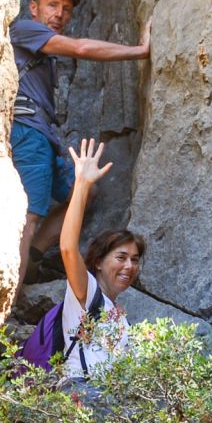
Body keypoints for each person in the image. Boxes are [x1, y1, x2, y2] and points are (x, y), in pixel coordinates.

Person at [9, 0, 150, 274]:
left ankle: (32, 259)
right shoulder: (25, 29)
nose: (60, 14)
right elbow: (82, 47)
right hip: (28, 133)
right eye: (52, 5)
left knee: (85, 190)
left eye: (67, 9)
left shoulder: (41, 44)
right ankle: (8, 305)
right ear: (33, 8)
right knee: (30, 216)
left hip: (43, 136)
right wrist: (140, 50)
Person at [51, 140, 146, 384]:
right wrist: (82, 184)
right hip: (82, 393)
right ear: (99, 262)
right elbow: (68, 248)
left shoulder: (119, 315)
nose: (129, 266)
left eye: (135, 260)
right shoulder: (86, 292)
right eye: (121, 257)